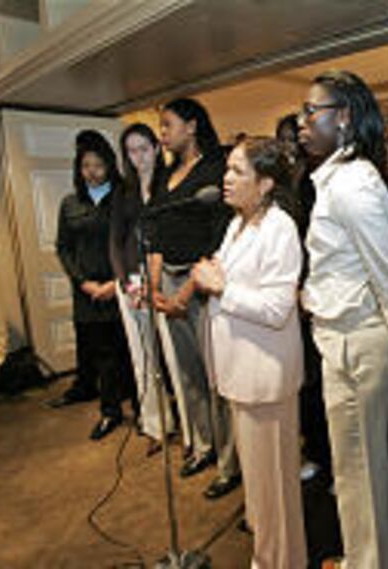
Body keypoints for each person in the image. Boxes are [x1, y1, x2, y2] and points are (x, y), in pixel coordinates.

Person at [298, 70, 388, 569]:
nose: (302, 122)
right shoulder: (335, 179)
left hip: (359, 342)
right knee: (350, 469)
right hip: (337, 337)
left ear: (342, 117)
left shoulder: (354, 185)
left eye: (310, 111)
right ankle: (363, 557)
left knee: (363, 470)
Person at [192, 137, 307, 569]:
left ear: (265, 184)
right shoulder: (237, 224)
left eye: (237, 171)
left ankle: (282, 562)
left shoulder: (280, 228)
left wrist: (222, 286)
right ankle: (266, 558)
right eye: (227, 169)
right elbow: (223, 271)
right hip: (241, 373)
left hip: (265, 377)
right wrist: (215, 277)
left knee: (274, 492)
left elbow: (278, 309)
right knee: (259, 492)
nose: (225, 179)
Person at [149, 98, 240, 498]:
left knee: (216, 378)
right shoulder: (167, 174)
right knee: (188, 375)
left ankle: (229, 462)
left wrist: (186, 291)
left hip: (201, 281)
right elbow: (155, 233)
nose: (162, 133)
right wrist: (155, 287)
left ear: (191, 125)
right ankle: (203, 446)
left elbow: (218, 239)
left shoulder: (213, 172)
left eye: (167, 125)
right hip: (167, 282)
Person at [52, 130, 136, 440]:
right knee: (101, 356)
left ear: (110, 165)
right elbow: (63, 247)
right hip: (87, 293)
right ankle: (110, 412)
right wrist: (83, 282)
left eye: (98, 165)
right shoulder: (69, 203)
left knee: (128, 351)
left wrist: (115, 283)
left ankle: (142, 411)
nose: (92, 172)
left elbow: (129, 244)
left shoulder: (123, 198)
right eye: (86, 165)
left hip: (121, 287)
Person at [110, 122, 176, 456]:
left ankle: (189, 430)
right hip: (132, 282)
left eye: (144, 148)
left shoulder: (171, 181)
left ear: (156, 147)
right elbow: (115, 241)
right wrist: (124, 282)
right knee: (143, 357)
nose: (138, 157)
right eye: (131, 151)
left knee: (174, 356)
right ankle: (155, 425)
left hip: (164, 278)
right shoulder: (123, 191)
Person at [275, 113, 332, 484]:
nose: (288, 146)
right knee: (302, 383)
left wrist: (306, 287)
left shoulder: (316, 180)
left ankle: (327, 462)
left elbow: (315, 242)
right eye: (281, 140)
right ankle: (313, 450)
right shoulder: (280, 181)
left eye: (292, 139)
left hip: (311, 289)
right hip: (288, 287)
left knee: (318, 384)